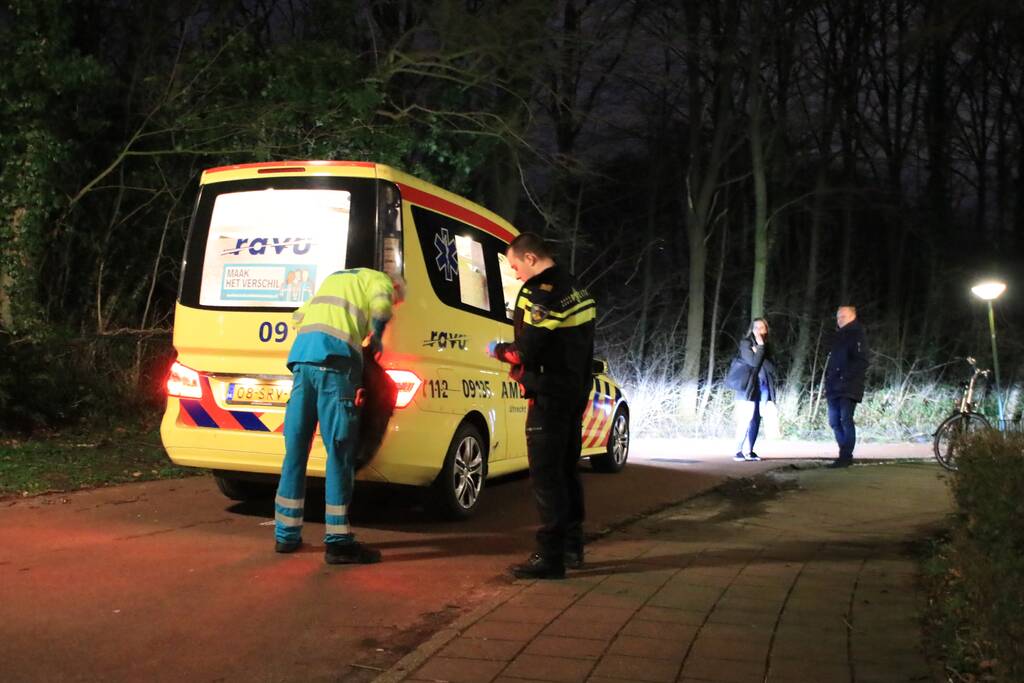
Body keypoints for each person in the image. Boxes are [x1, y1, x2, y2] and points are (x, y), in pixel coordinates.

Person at [274, 268, 404, 564]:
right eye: (399, 299)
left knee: (295, 449)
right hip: (336, 364)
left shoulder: (336, 280)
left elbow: (299, 316)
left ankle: (286, 534)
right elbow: (382, 306)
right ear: (395, 285)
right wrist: (377, 337)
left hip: (302, 361)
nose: (394, 304)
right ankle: (338, 541)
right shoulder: (380, 280)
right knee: (340, 451)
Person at [488, 233, 596, 580]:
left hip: (549, 394)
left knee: (547, 476)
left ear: (531, 258)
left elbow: (526, 351)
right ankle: (572, 547)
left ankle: (550, 557)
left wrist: (497, 349)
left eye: (517, 266)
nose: (517, 275)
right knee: (567, 471)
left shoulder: (542, 294)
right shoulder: (576, 286)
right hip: (574, 392)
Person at [824, 305, 869, 468]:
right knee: (834, 421)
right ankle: (844, 453)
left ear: (852, 316)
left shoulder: (857, 334)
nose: (839, 320)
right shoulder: (839, 335)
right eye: (838, 317)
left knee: (845, 419)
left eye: (842, 316)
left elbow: (862, 361)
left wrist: (845, 376)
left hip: (849, 386)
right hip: (834, 385)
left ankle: (845, 455)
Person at [732, 318, 777, 462]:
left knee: (757, 418)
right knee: (745, 418)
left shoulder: (767, 346)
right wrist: (760, 349)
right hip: (748, 387)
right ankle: (738, 450)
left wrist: (760, 350)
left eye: (761, 327)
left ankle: (749, 450)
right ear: (751, 329)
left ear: (766, 330)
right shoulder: (746, 343)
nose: (758, 330)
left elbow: (772, 368)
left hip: (763, 387)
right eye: (756, 327)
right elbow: (753, 363)